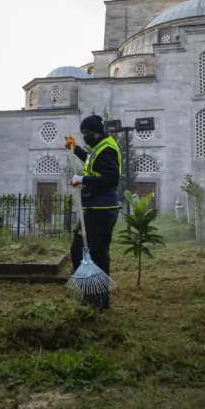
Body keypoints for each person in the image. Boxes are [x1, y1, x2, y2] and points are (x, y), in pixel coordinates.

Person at [64, 114, 122, 310]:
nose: (85, 137)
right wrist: (76, 149)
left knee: (90, 252)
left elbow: (111, 178)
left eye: (86, 133)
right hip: (96, 208)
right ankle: (96, 297)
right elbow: (91, 161)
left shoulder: (107, 149)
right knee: (88, 251)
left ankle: (97, 298)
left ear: (96, 132)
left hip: (102, 210)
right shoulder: (100, 147)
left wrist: (83, 179)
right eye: (82, 134)